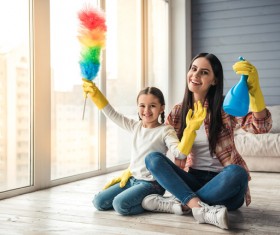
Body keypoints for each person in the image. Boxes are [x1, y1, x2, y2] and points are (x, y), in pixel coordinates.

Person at [141, 53, 272, 229]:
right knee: (152, 158)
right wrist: (131, 172)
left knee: (238, 173)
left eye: (204, 72)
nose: (195, 75)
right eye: (193, 69)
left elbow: (260, 127)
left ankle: (184, 203)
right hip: (193, 177)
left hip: (224, 183)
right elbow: (156, 148)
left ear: (214, 81)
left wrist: (255, 92)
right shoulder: (178, 112)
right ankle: (201, 208)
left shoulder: (225, 107)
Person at [82, 81, 201, 215]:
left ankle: (160, 203)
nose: (146, 111)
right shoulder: (135, 126)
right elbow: (112, 114)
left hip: (151, 184)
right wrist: (96, 94)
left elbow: (179, 154)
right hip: (131, 179)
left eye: (152, 106)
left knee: (120, 205)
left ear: (162, 108)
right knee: (99, 202)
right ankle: (147, 201)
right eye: (142, 106)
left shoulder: (166, 130)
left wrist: (190, 130)